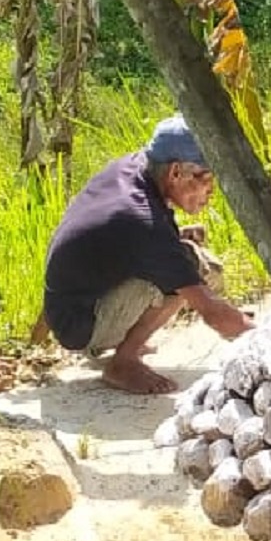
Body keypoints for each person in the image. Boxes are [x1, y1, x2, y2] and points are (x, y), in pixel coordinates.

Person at [41, 115, 254, 394]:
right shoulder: (141, 219)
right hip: (81, 326)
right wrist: (267, 338)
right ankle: (122, 363)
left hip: (68, 306)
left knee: (178, 255)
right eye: (206, 178)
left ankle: (124, 340)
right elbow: (212, 313)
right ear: (176, 173)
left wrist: (171, 238)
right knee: (193, 265)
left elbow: (112, 242)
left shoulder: (134, 168)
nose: (211, 191)